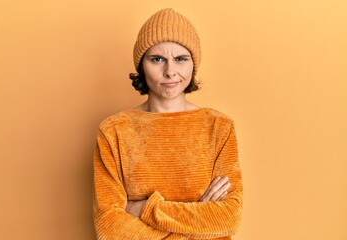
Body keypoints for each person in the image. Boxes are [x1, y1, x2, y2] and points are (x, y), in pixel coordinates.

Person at [93, 8, 243, 240]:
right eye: (158, 59)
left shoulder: (219, 127)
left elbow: (227, 218)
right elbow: (109, 228)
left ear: (193, 64)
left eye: (181, 59)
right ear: (142, 65)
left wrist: (141, 208)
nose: (170, 71)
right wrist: (198, 216)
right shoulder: (114, 131)